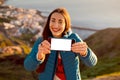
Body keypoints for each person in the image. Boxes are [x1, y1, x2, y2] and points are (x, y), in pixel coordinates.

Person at [24, 7, 97, 80]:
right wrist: (39, 56)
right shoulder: (42, 41)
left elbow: (92, 63)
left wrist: (85, 53)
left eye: (60, 22)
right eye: (53, 21)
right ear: (49, 22)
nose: (56, 25)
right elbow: (28, 66)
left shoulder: (74, 38)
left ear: (66, 24)